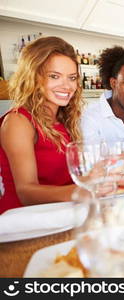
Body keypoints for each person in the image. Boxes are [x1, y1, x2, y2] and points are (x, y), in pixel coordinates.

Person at [0, 36, 83, 214]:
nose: (67, 86)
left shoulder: (65, 118)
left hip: (60, 213)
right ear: (34, 77)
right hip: (23, 222)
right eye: (54, 76)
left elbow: (65, 178)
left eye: (72, 77)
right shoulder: (18, 121)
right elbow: (26, 192)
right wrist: (81, 192)